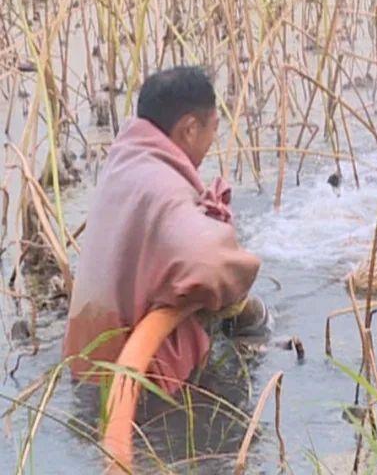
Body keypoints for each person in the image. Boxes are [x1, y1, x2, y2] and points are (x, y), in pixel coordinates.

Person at [62, 66, 262, 468]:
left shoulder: (125, 161)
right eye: (211, 129)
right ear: (189, 129)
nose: (210, 141)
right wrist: (236, 283)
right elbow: (210, 263)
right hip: (144, 391)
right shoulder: (165, 187)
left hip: (88, 368)